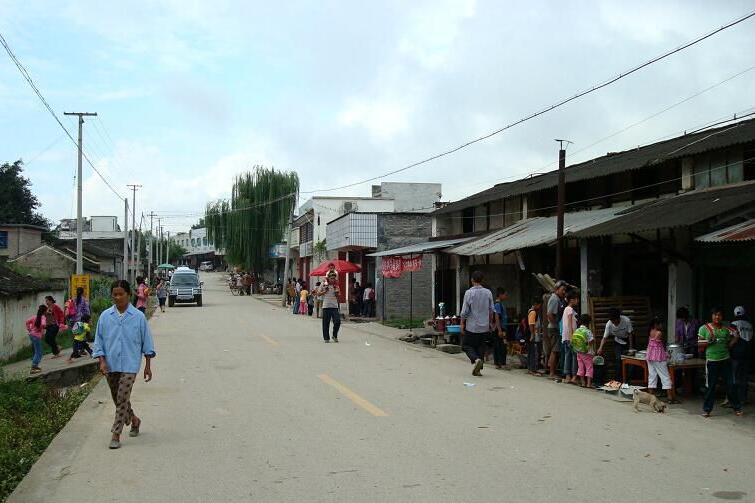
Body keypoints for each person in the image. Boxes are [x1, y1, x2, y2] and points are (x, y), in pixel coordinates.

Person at [93, 279, 156, 449]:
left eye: (121, 294)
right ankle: (134, 420)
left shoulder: (138, 317)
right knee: (118, 399)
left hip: (130, 364)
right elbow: (99, 341)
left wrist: (148, 366)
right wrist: (101, 361)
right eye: (115, 294)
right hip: (111, 364)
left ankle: (116, 434)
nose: (118, 297)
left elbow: (147, 343)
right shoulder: (105, 316)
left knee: (122, 398)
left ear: (129, 295)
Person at [698, 306, 742, 417]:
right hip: (712, 361)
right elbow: (699, 345)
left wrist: (733, 341)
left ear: (722, 317)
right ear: (712, 316)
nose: (717, 317)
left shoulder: (726, 329)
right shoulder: (704, 328)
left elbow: (734, 338)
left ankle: (737, 408)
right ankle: (707, 410)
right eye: (715, 314)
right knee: (711, 386)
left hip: (726, 360)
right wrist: (709, 341)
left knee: (731, 385)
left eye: (719, 315)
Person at [460, 271, 495, 376]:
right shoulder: (488, 292)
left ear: (472, 280)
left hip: (472, 326)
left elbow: (465, 311)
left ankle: (476, 360)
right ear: (482, 280)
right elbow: (491, 310)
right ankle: (478, 368)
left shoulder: (469, 293)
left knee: (466, 345)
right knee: (480, 346)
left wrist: (462, 323)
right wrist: (490, 323)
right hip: (484, 326)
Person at [597, 307, 634, 380]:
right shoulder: (609, 324)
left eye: (615, 320)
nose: (614, 322)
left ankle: (629, 379)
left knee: (630, 360)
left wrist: (631, 348)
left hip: (628, 341)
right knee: (618, 359)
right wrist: (600, 348)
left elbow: (630, 334)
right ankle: (618, 379)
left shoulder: (626, 320)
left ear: (619, 317)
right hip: (618, 341)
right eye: (612, 321)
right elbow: (604, 338)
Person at [544, 281, 567, 380]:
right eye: (562, 290)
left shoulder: (558, 299)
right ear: (557, 289)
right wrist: (557, 325)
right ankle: (552, 373)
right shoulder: (554, 299)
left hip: (554, 327)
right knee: (555, 350)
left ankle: (551, 370)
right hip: (554, 328)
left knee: (555, 350)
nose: (564, 292)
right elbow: (549, 314)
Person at [730, 306, 753, 406]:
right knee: (744, 377)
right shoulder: (750, 325)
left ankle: (735, 399)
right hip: (747, 353)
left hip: (736, 354)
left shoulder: (733, 324)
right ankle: (743, 398)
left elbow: (732, 338)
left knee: (734, 376)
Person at [645, 317, 671, 397]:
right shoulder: (659, 333)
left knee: (652, 376)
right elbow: (658, 345)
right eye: (660, 324)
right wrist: (667, 354)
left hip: (650, 356)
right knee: (665, 376)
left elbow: (653, 344)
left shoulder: (651, 331)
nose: (662, 325)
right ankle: (670, 397)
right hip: (658, 357)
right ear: (656, 325)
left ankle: (650, 396)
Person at [561, 291, 580, 384]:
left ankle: (568, 376)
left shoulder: (566, 309)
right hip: (570, 336)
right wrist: (572, 336)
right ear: (572, 300)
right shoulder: (569, 309)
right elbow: (569, 323)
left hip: (566, 336)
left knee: (568, 355)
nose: (578, 301)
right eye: (576, 299)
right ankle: (573, 376)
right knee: (574, 356)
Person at [571, 314, 594, 388]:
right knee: (589, 367)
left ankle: (583, 382)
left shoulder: (577, 330)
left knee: (580, 366)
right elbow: (591, 341)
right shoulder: (587, 331)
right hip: (587, 352)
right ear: (588, 323)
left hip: (578, 351)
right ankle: (588, 384)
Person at [318, 271, 341, 342]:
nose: (333, 280)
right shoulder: (324, 284)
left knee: (337, 321)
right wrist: (324, 291)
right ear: (328, 278)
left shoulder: (336, 285)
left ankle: (334, 335)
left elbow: (338, 295)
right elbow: (318, 293)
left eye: (334, 278)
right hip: (326, 306)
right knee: (326, 323)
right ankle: (326, 338)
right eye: (331, 278)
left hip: (334, 306)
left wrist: (337, 293)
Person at [26, 305, 47, 374]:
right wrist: (44, 326)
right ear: (44, 311)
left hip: (31, 335)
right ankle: (33, 367)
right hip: (36, 336)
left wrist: (29, 329)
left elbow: (27, 322)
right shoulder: (43, 317)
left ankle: (35, 366)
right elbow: (43, 324)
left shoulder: (34, 317)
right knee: (39, 352)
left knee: (37, 351)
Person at [491, 287, 509, 369]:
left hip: (501, 328)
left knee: (500, 345)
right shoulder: (498, 305)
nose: (506, 296)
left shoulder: (500, 304)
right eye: (505, 295)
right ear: (500, 295)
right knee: (501, 346)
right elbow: (497, 317)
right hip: (500, 328)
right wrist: (499, 330)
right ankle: (500, 363)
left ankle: (499, 363)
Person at [527, 297, 543, 375]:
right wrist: (532, 334)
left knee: (532, 352)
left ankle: (531, 369)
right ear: (536, 304)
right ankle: (532, 369)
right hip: (533, 335)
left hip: (534, 334)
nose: (540, 307)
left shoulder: (531, 311)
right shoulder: (533, 312)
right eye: (540, 305)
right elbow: (531, 324)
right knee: (534, 352)